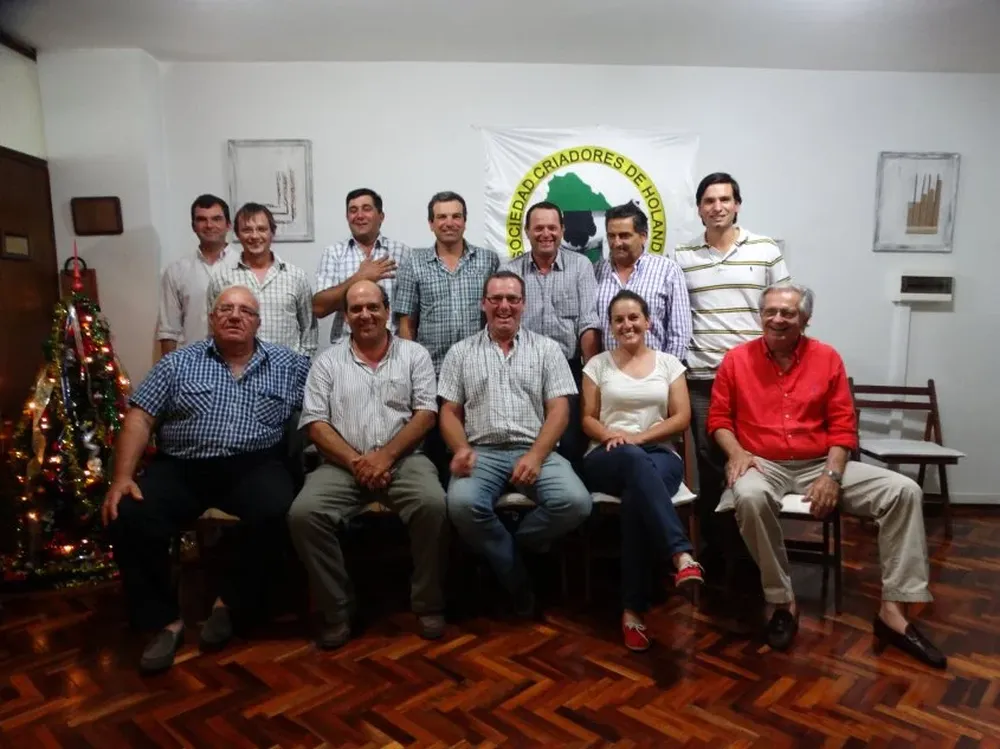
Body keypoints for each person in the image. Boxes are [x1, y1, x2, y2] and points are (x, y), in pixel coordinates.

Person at [708, 283, 945, 668]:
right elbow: (718, 419)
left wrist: (832, 476)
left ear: (805, 319)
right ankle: (782, 600)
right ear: (760, 315)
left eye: (788, 313)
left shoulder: (827, 358)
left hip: (821, 461)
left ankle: (894, 611)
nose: (778, 319)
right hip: (761, 462)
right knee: (748, 497)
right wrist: (736, 452)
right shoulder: (736, 360)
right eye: (771, 311)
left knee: (903, 490)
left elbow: (842, 425)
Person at [102, 285, 310, 674]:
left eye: (245, 311)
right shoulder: (177, 364)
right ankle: (164, 620)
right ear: (211, 319)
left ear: (258, 322)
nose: (235, 316)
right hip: (181, 467)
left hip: (254, 465)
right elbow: (140, 416)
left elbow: (327, 398)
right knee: (128, 513)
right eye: (225, 309)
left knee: (280, 510)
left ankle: (230, 602)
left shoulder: (290, 364)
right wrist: (121, 477)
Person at [287, 280, 449, 649]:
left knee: (433, 504)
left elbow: (425, 414)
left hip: (405, 459)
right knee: (304, 514)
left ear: (387, 312)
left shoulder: (414, 355)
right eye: (356, 309)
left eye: (373, 307)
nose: (365, 315)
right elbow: (315, 422)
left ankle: (428, 604)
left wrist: (386, 456)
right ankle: (337, 609)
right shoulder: (327, 362)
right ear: (345, 316)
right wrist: (357, 461)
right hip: (342, 464)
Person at [438, 271, 592, 616]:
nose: (504, 306)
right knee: (461, 505)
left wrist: (537, 455)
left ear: (523, 304)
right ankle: (517, 579)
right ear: (484, 304)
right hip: (482, 452)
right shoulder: (460, 352)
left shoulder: (548, 350)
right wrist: (461, 448)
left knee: (576, 502)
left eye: (512, 299)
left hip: (535, 450)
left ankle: (512, 545)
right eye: (496, 299)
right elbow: (448, 411)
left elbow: (559, 411)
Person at [674, 172, 791, 577]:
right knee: (710, 464)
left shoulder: (765, 250)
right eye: (709, 200)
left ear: (737, 204)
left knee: (757, 457)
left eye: (725, 199)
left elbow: (784, 309)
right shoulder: (682, 256)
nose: (717, 207)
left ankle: (754, 549)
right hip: (703, 377)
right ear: (699, 208)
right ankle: (719, 549)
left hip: (755, 377)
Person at [581, 290, 704, 651]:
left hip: (659, 453)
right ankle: (681, 553)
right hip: (606, 453)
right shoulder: (597, 365)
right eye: (619, 319)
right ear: (611, 326)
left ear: (648, 322)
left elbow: (682, 417)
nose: (627, 325)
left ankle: (632, 611)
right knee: (634, 464)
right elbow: (587, 418)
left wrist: (640, 438)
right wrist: (612, 436)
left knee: (637, 491)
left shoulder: (669, 364)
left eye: (634, 317)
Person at [393, 191, 500, 479]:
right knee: (436, 447)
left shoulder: (488, 261)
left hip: (479, 367)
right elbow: (406, 322)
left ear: (465, 221)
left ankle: (473, 495)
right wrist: (408, 371)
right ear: (431, 223)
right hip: (432, 371)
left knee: (476, 441)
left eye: (456, 216)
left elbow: (497, 315)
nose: (449, 222)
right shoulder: (414, 262)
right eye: (442, 217)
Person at [504, 201, 600, 464]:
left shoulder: (581, 266)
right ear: (526, 231)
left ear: (562, 229)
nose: (545, 234)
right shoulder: (511, 272)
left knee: (571, 444)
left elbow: (588, 323)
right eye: (538, 228)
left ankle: (574, 500)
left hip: (568, 369)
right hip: (522, 368)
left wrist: (591, 376)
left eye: (552, 227)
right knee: (528, 438)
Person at [207, 202, 318, 357]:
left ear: (272, 232)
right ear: (237, 234)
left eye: (261, 229)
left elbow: (309, 330)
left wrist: (302, 364)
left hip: (286, 372)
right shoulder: (221, 278)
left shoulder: (296, 276)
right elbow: (214, 328)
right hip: (235, 371)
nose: (254, 236)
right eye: (247, 230)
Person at [594, 203, 691, 362]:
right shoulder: (594, 272)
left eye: (624, 236)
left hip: (656, 378)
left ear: (643, 236)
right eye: (611, 236)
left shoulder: (667, 270)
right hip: (608, 378)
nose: (617, 243)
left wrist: (665, 374)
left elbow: (679, 334)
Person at [312, 188, 411, 344]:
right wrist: (360, 278)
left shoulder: (401, 252)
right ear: (347, 217)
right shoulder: (334, 253)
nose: (359, 216)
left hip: (393, 350)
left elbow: (410, 311)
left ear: (381, 216)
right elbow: (319, 308)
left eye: (367, 209)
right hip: (345, 351)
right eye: (353, 210)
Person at [156, 194, 238, 355]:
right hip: (192, 364)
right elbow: (168, 331)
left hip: (237, 361)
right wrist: (170, 374)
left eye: (216, 219)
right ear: (193, 226)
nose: (209, 225)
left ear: (228, 225)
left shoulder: (244, 266)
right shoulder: (176, 271)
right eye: (201, 219)